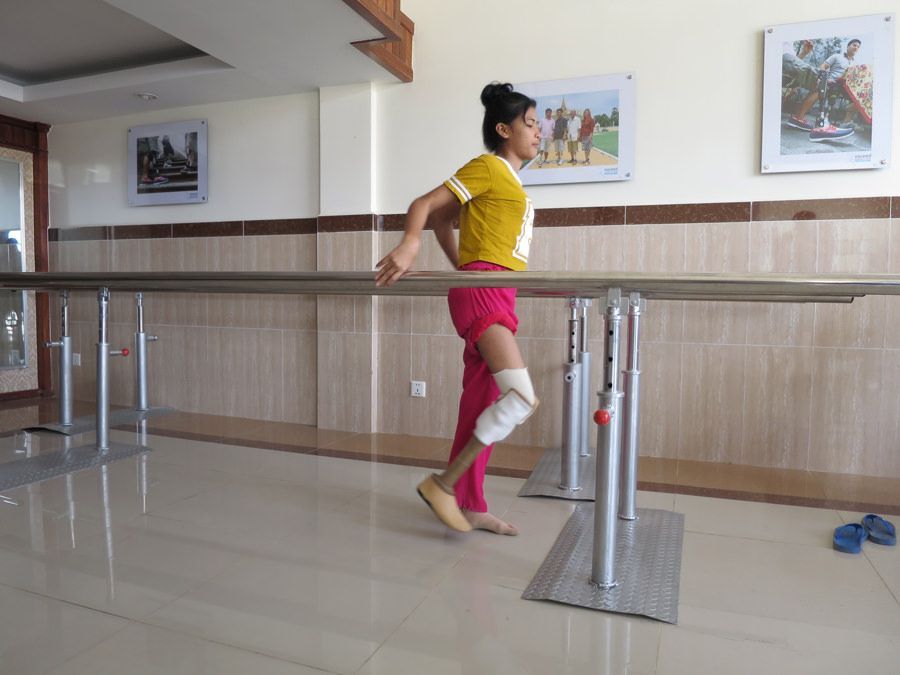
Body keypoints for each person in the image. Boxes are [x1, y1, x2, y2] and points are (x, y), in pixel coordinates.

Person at [375, 82, 541, 536]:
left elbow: (444, 222)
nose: (538, 133)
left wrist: (461, 268)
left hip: (493, 287)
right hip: (485, 289)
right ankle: (443, 486)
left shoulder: (510, 180)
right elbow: (427, 206)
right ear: (504, 129)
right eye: (529, 124)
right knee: (520, 398)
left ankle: (470, 503)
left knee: (482, 402)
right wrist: (411, 244)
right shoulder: (488, 167)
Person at [786, 39, 859, 141]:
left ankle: (846, 123)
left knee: (860, 96)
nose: (856, 47)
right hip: (831, 81)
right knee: (822, 87)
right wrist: (824, 77)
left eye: (858, 47)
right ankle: (800, 118)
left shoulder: (854, 64)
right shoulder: (837, 56)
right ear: (848, 46)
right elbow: (823, 66)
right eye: (854, 45)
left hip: (846, 86)